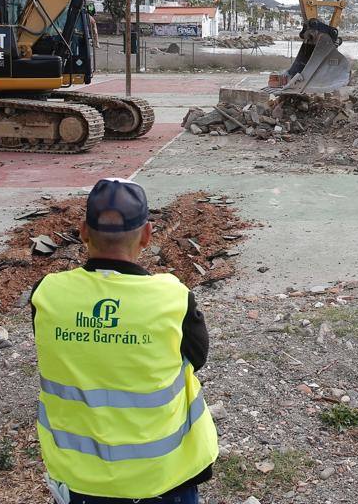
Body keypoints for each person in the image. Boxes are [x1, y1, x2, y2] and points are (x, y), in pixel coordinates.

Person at [31, 178, 218, 504]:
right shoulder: (172, 298)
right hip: (164, 476)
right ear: (146, 235)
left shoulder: (47, 294)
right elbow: (197, 359)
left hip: (80, 478)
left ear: (83, 231)